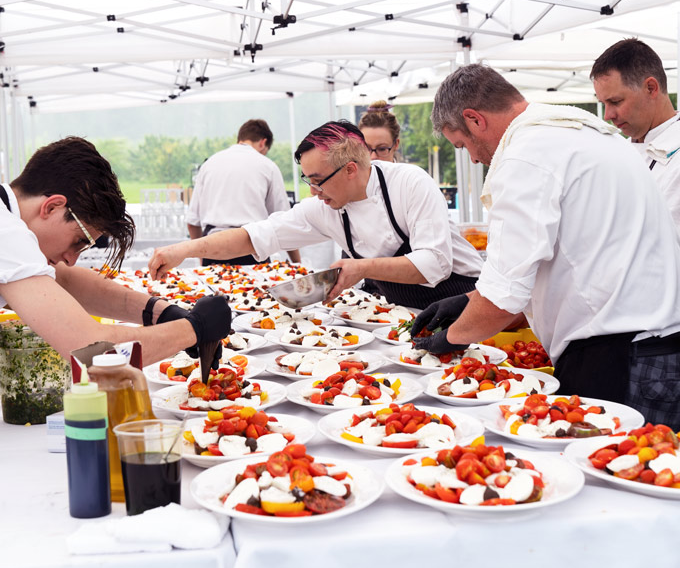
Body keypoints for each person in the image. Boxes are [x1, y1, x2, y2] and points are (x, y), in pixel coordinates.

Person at [411, 64, 680, 423]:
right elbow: (577, 256)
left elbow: (503, 299)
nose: (473, 159)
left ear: (474, 119)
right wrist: (467, 301)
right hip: (653, 346)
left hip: (617, 355)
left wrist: (451, 339)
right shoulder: (581, 133)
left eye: (463, 145)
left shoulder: (526, 153)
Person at [150, 119, 479, 309]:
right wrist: (185, 249)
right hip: (407, 312)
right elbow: (257, 235)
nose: (312, 192)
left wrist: (360, 268)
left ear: (350, 169)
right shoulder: (326, 207)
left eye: (318, 181)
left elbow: (435, 264)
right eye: (308, 180)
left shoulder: (410, 182)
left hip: (463, 299)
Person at [1, 137, 231, 363]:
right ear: (52, 207)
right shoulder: (8, 233)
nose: (71, 260)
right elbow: (90, 350)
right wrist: (194, 329)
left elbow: (64, 282)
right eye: (78, 241)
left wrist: (160, 312)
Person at [358, 100, 481, 288]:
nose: (373, 157)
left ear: (396, 144)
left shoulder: (412, 184)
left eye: (382, 148)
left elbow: (434, 262)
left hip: (457, 287)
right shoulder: (354, 196)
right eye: (366, 149)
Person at [591, 37, 680, 231]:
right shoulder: (617, 151)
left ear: (651, 88)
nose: (608, 115)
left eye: (615, 102)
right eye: (603, 104)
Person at [186, 118, 300, 265]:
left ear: (240, 138)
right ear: (263, 143)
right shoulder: (268, 166)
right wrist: (297, 262)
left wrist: (202, 256)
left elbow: (192, 222)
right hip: (253, 246)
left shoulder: (209, 164)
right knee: (257, 288)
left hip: (213, 247)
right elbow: (284, 222)